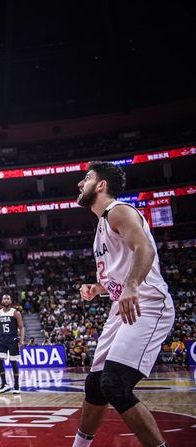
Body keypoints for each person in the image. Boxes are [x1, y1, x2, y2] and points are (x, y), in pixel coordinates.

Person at [71, 161, 175, 447]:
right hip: (121, 307)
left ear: (101, 185)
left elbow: (146, 248)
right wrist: (98, 288)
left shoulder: (118, 210)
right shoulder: (101, 226)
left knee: (114, 384)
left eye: (87, 178)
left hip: (148, 303)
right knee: (95, 385)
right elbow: (117, 273)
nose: (81, 184)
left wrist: (131, 285)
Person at [0, 294, 24, 394]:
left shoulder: (15, 313)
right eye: (4, 299)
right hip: (2, 339)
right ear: (2, 301)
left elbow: (21, 327)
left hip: (12, 339)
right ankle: (4, 384)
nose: (6, 300)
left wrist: (22, 339)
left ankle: (16, 385)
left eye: (8, 299)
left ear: (11, 301)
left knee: (13, 361)